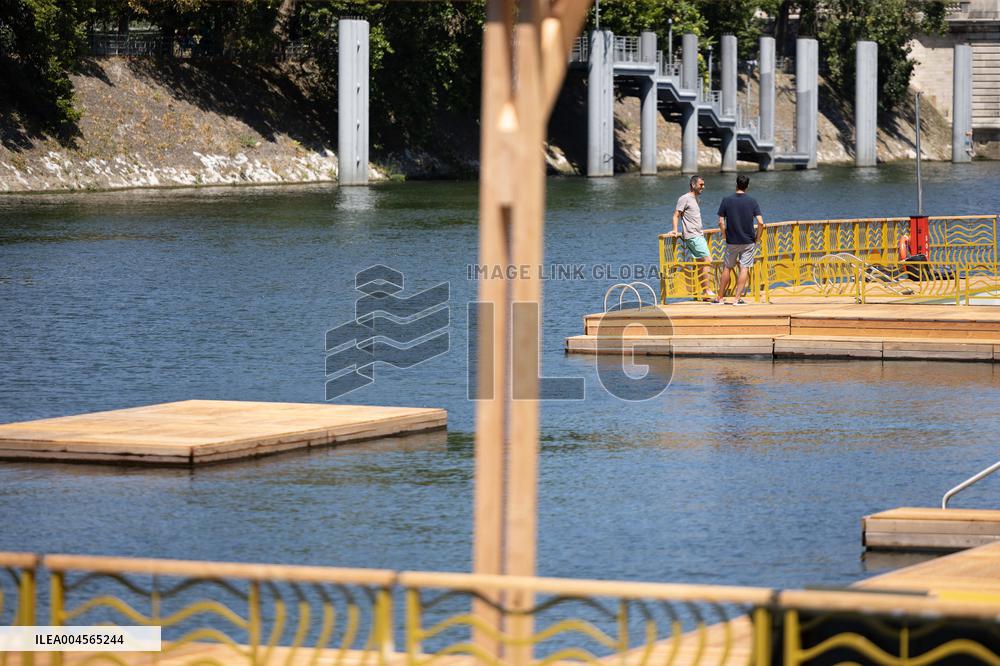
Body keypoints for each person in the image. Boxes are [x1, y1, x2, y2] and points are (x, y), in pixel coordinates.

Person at [713, 174, 764, 305]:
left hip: (732, 240)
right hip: (748, 240)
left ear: (736, 184)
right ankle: (737, 299)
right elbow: (760, 223)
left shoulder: (726, 200)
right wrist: (757, 238)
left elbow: (720, 221)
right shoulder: (752, 201)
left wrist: (724, 235)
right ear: (747, 186)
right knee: (744, 268)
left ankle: (719, 298)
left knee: (727, 267)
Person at [667, 174, 714, 300]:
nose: (703, 187)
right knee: (707, 260)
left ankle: (704, 293)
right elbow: (676, 215)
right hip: (693, 236)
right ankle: (707, 291)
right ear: (693, 185)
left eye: (703, 185)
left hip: (698, 234)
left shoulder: (696, 199)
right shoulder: (685, 198)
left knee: (700, 264)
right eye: (701, 185)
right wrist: (675, 230)